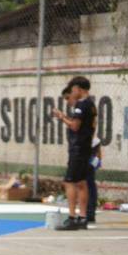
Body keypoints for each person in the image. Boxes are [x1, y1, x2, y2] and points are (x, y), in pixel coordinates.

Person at [53, 76, 96, 231]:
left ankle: (72, 217)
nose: (72, 93)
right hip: (85, 147)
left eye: (73, 90)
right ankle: (83, 217)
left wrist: (62, 117)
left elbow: (75, 126)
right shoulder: (91, 105)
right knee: (82, 183)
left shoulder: (82, 105)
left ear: (78, 89)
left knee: (70, 182)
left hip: (78, 148)